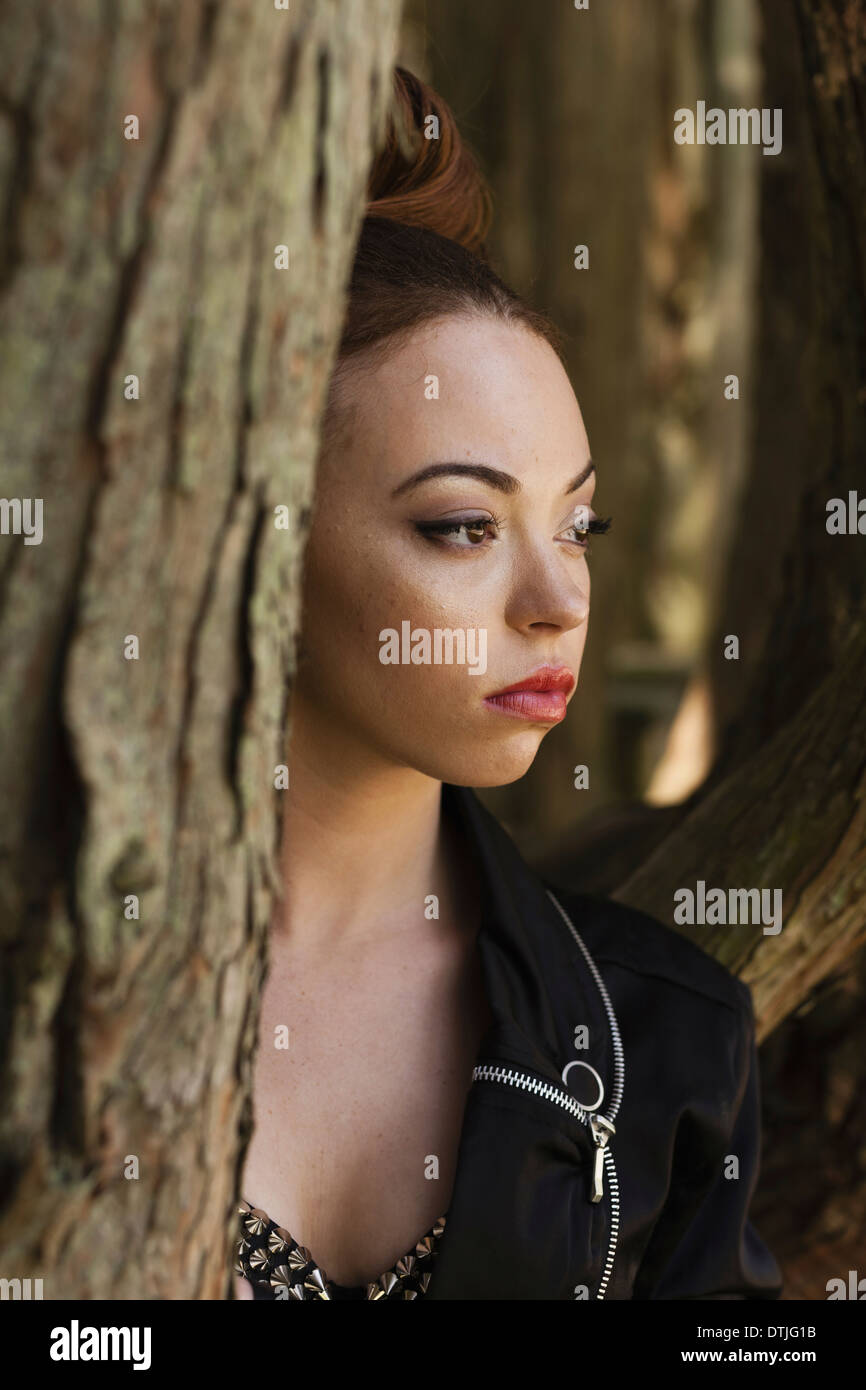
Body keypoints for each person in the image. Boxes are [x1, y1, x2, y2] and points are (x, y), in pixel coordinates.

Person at [233, 65, 783, 1301]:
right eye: (462, 527)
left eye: (577, 525)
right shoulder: (51, 983)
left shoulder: (669, 1038)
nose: (560, 600)